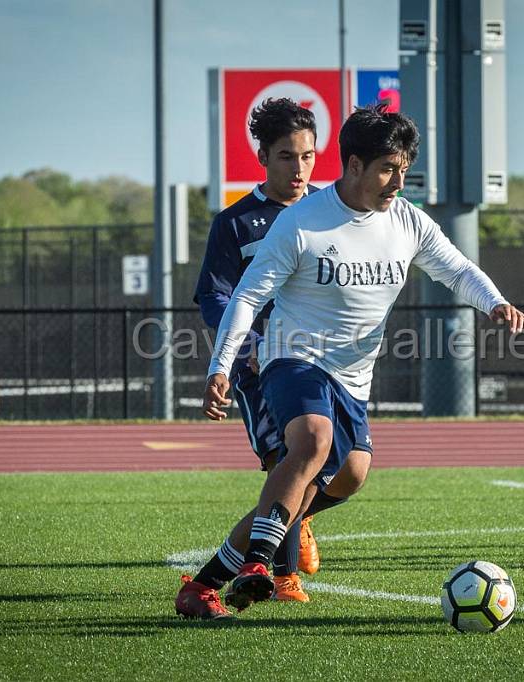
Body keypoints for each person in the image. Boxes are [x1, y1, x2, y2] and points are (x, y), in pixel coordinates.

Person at [176, 104, 524, 620]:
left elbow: (456, 269)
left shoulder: (407, 221)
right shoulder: (303, 222)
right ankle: (261, 562)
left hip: (352, 376)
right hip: (290, 357)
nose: (397, 180)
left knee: (350, 474)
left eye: (404, 168)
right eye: (388, 168)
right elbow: (247, 296)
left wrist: (494, 301)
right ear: (355, 165)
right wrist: (221, 367)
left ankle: (205, 583)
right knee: (312, 441)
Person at [189, 98, 321, 605]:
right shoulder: (235, 223)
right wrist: (246, 344)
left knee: (332, 467)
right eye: (287, 156)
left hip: (319, 364)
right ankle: (285, 572)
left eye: (307, 156)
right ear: (263, 156)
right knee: (282, 461)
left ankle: (297, 520)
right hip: (258, 368)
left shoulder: (327, 214)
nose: (299, 167)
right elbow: (216, 294)